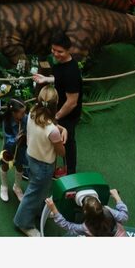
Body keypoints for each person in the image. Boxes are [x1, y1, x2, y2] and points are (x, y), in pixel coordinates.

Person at [11, 86, 67, 236]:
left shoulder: (32, 113)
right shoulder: (52, 131)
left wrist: (62, 129)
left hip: (31, 156)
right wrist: (63, 137)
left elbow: (46, 124)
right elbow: (61, 152)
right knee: (33, 194)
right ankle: (23, 223)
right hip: (44, 165)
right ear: (56, 104)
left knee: (40, 189)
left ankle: (38, 210)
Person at [37, 33, 85, 175]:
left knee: (67, 143)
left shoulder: (71, 72)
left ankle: (70, 172)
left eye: (60, 51)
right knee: (61, 141)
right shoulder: (62, 64)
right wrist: (46, 79)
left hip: (67, 114)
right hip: (60, 109)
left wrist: (56, 117)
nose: (56, 54)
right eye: (54, 50)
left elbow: (72, 102)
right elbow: (60, 79)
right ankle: (63, 168)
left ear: (68, 50)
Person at [45, 187, 129, 236]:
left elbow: (67, 225)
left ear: (84, 211)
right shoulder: (109, 211)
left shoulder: (86, 227)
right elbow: (124, 216)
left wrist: (54, 209)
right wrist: (117, 197)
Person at [0, 94, 28, 204]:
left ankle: (17, 187)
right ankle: (4, 186)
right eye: (22, 113)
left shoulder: (25, 118)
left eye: (25, 112)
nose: (24, 115)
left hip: (21, 148)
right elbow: (7, 138)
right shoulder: (7, 121)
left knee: (20, 166)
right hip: (9, 149)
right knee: (5, 166)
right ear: (14, 113)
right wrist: (16, 139)